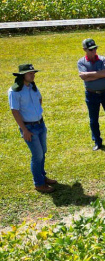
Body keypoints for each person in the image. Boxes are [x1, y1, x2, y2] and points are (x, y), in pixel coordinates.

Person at [9, 64, 57, 193]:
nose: (33, 75)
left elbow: (40, 99)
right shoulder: (14, 91)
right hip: (29, 128)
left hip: (40, 124)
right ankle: (39, 184)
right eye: (30, 73)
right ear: (22, 75)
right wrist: (24, 130)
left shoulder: (33, 87)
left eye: (33, 73)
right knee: (37, 155)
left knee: (43, 152)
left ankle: (42, 176)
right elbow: (15, 111)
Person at [77, 38, 105, 150]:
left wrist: (88, 75)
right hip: (91, 95)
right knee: (93, 120)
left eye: (95, 48)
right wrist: (101, 75)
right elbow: (83, 78)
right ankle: (97, 141)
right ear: (84, 50)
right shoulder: (81, 62)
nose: (94, 51)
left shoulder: (103, 59)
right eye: (91, 49)